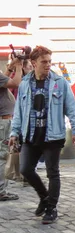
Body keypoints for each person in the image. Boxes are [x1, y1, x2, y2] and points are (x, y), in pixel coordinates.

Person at [10, 46, 75, 224]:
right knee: (25, 169)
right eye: (44, 62)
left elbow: (71, 108)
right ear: (34, 63)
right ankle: (44, 197)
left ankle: (51, 208)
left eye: (50, 61)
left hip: (53, 135)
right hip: (31, 134)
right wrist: (14, 132)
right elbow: (18, 111)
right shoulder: (25, 83)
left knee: (53, 173)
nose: (48, 65)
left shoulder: (59, 82)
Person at [0, 58, 24, 201]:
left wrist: (11, 67)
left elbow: (4, 79)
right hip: (3, 121)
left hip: (4, 120)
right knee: (2, 156)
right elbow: (16, 83)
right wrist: (19, 67)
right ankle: (1, 190)